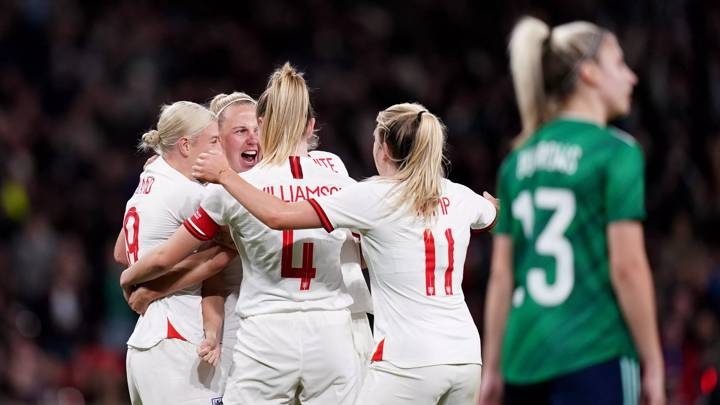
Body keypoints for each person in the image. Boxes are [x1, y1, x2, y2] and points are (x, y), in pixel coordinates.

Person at [191, 101, 498, 405]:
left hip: (408, 361)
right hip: (466, 357)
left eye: (375, 140)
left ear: (385, 150)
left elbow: (278, 216)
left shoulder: (372, 196)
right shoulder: (459, 195)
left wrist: (225, 176)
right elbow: (497, 215)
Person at [120, 63, 365, 405]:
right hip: (319, 332)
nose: (251, 138)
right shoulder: (333, 173)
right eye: (238, 132)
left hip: (260, 334)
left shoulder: (226, 192)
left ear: (266, 126)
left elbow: (204, 257)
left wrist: (146, 286)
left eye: (254, 128)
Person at [478, 16, 665, 405]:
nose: (632, 77)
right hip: (593, 352)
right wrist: (653, 361)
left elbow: (501, 276)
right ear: (589, 73)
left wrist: (492, 369)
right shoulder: (616, 152)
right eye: (620, 64)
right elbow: (627, 268)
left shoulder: (518, 160)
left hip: (522, 356)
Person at [118, 92, 262, 402]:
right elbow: (229, 249)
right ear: (185, 145)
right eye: (213, 142)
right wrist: (139, 283)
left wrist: (144, 282)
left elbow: (121, 253)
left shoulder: (149, 180)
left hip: (146, 341)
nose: (218, 150)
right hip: (178, 339)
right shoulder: (192, 194)